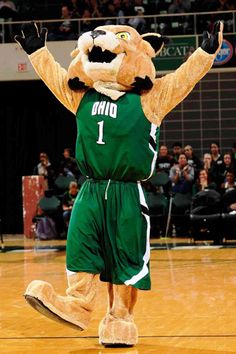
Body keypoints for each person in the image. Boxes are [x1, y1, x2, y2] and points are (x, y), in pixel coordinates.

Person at [15, 21, 223, 347]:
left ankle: (119, 317)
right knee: (81, 245)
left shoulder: (151, 98)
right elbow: (56, 78)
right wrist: (37, 52)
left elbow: (184, 79)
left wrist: (205, 53)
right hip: (91, 188)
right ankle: (78, 304)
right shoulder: (80, 95)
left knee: (125, 259)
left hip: (127, 190)